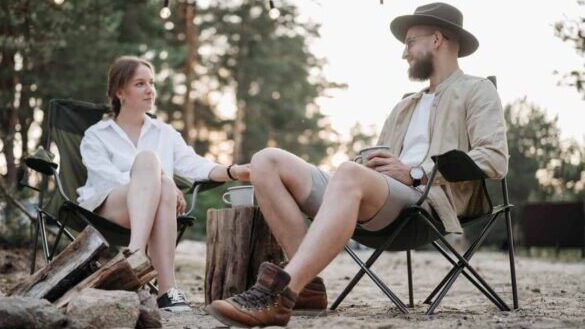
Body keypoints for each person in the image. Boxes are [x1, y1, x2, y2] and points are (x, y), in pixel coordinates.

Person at [206, 2, 508, 327]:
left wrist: (416, 173)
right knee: (266, 160)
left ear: (437, 39)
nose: (404, 53)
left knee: (350, 175)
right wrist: (367, 165)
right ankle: (305, 287)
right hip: (375, 200)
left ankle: (280, 293)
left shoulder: (477, 91)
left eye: (409, 42)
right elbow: (374, 166)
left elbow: (495, 159)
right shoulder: (405, 106)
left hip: (428, 206)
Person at [77, 56, 250, 312]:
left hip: (158, 206)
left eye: (151, 83)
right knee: (150, 163)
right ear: (119, 92)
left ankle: (166, 289)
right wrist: (160, 176)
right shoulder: (96, 135)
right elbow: (107, 178)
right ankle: (137, 256)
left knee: (163, 184)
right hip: (109, 207)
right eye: (140, 84)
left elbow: (194, 165)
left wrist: (233, 171)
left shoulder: (164, 133)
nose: (150, 90)